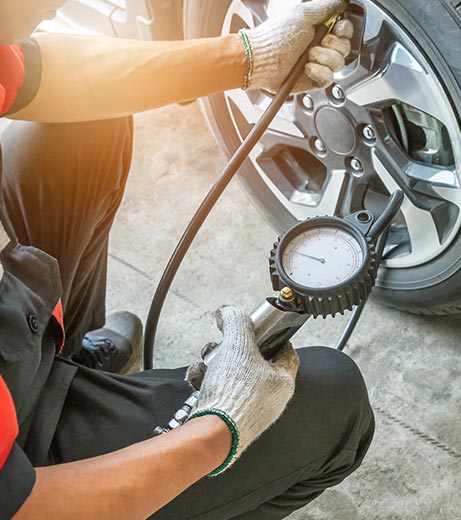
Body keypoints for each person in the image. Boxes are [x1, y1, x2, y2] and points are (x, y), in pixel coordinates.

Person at [0, 1, 375, 518]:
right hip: (28, 477)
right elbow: (24, 509)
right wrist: (220, 426)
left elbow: (36, 73)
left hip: (12, 348)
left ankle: (63, 361)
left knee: (78, 129)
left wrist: (252, 56)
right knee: (333, 399)